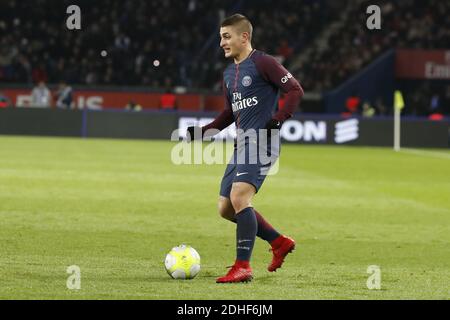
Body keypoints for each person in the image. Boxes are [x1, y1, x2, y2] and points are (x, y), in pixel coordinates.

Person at [186, 14, 303, 283]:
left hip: (262, 141)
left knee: (240, 197)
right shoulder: (229, 74)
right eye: (220, 37)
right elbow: (230, 113)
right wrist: (203, 132)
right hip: (242, 145)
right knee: (226, 208)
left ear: (244, 37)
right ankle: (279, 242)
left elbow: (295, 90)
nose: (221, 43)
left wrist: (277, 120)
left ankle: (242, 266)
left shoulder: (263, 62)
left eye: (226, 37)